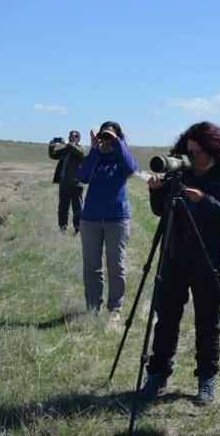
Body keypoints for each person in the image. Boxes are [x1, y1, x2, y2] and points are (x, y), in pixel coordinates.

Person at [139, 121, 220, 405]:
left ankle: (206, 380)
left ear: (214, 150)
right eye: (188, 152)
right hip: (174, 256)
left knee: (207, 323)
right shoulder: (179, 173)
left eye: (198, 152)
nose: (193, 158)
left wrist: (204, 200)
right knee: (165, 319)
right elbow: (161, 212)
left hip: (208, 260)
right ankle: (157, 375)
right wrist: (156, 191)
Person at [77, 121, 138, 318]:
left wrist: (117, 143)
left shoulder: (121, 157)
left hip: (116, 219)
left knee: (116, 265)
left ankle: (115, 309)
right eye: (104, 135)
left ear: (118, 137)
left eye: (110, 136)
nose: (106, 139)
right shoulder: (94, 157)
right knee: (91, 265)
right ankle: (93, 308)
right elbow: (83, 177)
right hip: (91, 219)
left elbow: (131, 168)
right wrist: (94, 150)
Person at [48, 130, 86, 234]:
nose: (71, 138)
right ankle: (62, 228)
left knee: (77, 208)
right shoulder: (66, 150)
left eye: (73, 137)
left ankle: (78, 229)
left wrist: (68, 144)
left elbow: (81, 153)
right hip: (63, 183)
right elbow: (53, 155)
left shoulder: (81, 149)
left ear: (78, 139)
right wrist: (51, 146)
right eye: (70, 136)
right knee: (63, 207)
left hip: (75, 184)